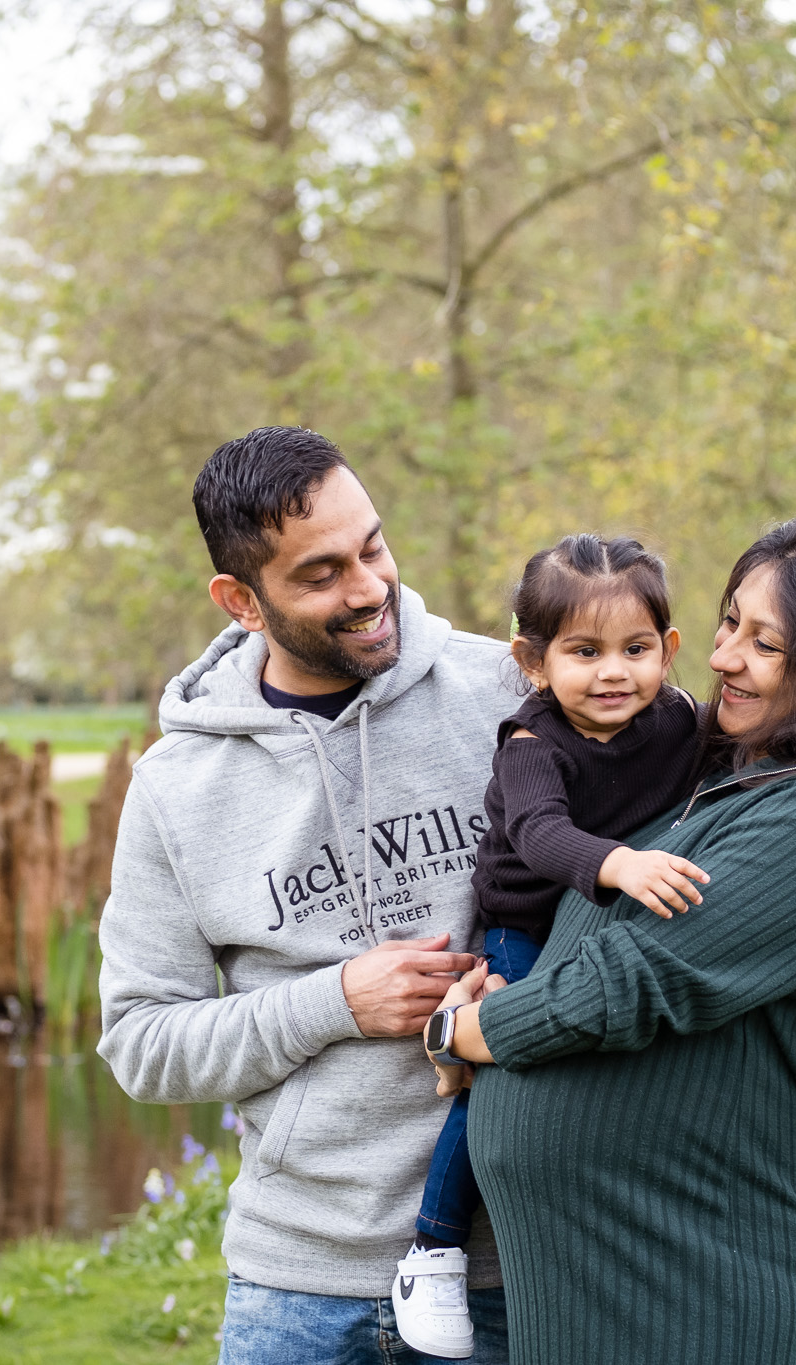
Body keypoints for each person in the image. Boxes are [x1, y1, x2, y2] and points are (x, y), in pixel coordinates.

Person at [428, 507, 796, 1365]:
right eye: (729, 621)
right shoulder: (727, 776)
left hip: (702, 1283)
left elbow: (633, 978)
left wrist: (469, 1030)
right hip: (605, 1275)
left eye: (763, 643)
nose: (722, 655)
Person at [97, 426, 516, 1364]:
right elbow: (141, 1045)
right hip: (297, 1286)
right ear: (241, 600)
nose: (369, 588)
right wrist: (333, 1004)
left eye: (372, 547)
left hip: (507, 1262)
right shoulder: (176, 787)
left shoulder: (506, 690)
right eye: (321, 573)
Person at [393, 534, 711, 1358]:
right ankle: (432, 1245)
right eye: (584, 651)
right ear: (532, 660)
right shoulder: (532, 744)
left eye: (636, 649)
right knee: (506, 1060)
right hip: (529, 920)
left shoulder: (677, 720)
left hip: (614, 914)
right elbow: (539, 833)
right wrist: (620, 862)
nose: (615, 672)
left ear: (668, 650)